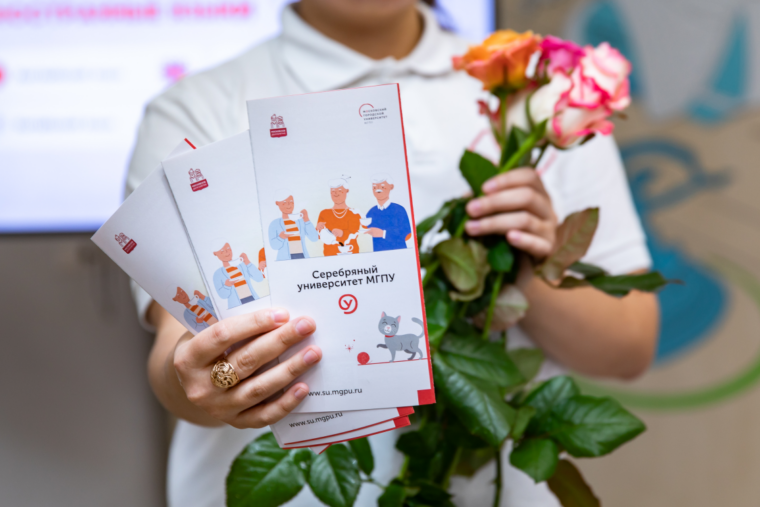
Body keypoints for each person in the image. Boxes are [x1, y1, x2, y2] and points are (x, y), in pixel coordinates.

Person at [126, 1, 658, 506]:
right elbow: (177, 352)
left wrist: (524, 266)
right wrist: (206, 381)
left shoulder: (536, 103)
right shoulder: (198, 108)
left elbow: (629, 346)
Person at [315, 176, 362, 256]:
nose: (335, 193)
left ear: (347, 191)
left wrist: (342, 233)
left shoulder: (354, 212)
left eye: (339, 190)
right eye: (333, 191)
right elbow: (318, 237)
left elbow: (354, 235)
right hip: (330, 255)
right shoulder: (324, 213)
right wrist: (317, 229)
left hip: (351, 253)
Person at [365, 174, 412, 251]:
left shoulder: (399, 209)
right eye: (374, 187)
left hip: (399, 252)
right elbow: (366, 228)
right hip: (378, 253)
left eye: (382, 187)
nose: (378, 190)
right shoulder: (371, 212)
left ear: (391, 187)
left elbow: (407, 234)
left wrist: (383, 233)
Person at [212, 243, 264, 308]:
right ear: (215, 253)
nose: (227, 252)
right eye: (222, 251)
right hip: (237, 307)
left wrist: (248, 262)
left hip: (254, 300)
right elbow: (222, 296)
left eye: (228, 248)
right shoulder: (218, 274)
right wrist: (227, 286)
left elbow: (259, 278)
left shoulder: (242, 265)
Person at [269, 192, 319, 260]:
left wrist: (306, 220)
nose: (289, 204)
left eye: (291, 201)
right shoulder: (274, 224)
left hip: (303, 257)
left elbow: (314, 238)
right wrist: (281, 238)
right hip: (285, 260)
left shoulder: (301, 221)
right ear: (277, 203)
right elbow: (274, 246)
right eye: (284, 202)